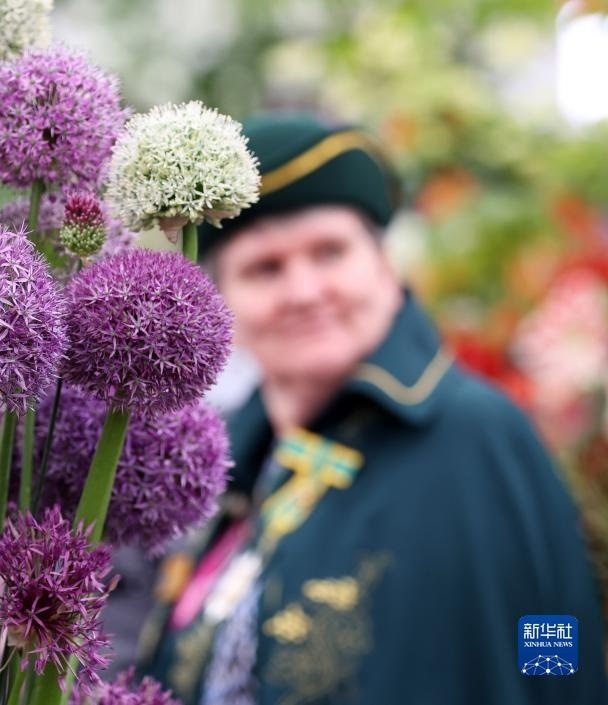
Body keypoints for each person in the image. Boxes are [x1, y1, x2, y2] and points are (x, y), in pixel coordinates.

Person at [138, 114, 607, 704]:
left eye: (329, 252)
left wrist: (553, 682)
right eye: (264, 268)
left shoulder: (475, 432)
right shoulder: (226, 461)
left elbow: (553, 620)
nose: (304, 292)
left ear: (385, 266)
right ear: (222, 300)